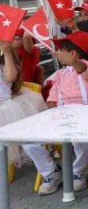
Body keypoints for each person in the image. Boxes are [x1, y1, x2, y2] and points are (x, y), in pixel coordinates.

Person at [23, 32, 88, 195]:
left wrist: (74, 62)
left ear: (75, 53)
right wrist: (51, 115)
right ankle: (50, 172)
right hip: (61, 115)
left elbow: (82, 68)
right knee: (27, 139)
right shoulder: (60, 74)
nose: (59, 53)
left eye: (63, 49)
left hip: (87, 116)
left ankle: (78, 171)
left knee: (83, 140)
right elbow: (52, 98)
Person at [0, 41, 47, 170]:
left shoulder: (4, 62)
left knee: (28, 139)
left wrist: (8, 52)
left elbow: (10, 77)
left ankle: (49, 170)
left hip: (5, 107)